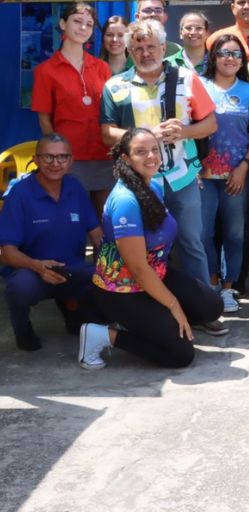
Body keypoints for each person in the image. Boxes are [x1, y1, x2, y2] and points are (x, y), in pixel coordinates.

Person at [99, 19, 221, 324]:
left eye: (151, 46)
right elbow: (106, 133)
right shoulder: (115, 86)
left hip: (181, 176)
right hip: (139, 182)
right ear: (129, 51)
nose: (145, 53)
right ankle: (151, 310)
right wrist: (145, 135)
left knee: (191, 243)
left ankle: (203, 310)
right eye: (138, 47)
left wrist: (184, 132)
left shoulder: (188, 79)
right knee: (144, 248)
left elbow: (210, 124)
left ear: (164, 47)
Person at [77, 128, 224, 370]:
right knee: (180, 355)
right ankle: (104, 335)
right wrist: (173, 305)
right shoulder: (125, 201)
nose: (151, 156)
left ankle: (153, 323)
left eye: (155, 149)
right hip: (122, 288)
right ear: (126, 158)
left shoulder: (152, 185)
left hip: (155, 275)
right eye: (141, 152)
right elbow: (137, 268)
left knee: (212, 306)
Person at [0, 134, 101, 351]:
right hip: (33, 271)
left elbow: (96, 233)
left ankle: (71, 307)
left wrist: (105, 268)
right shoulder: (19, 194)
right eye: (48, 157)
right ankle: (22, 329)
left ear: (71, 161)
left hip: (71, 269)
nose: (56, 163)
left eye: (62, 157)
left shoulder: (75, 187)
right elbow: (7, 252)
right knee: (19, 289)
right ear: (36, 160)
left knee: (104, 283)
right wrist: (38, 266)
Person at [199, 34, 249, 313]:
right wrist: (193, 167)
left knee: (234, 234)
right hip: (202, 176)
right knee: (202, 233)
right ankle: (211, 283)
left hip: (236, 177)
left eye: (236, 54)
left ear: (242, 60)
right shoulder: (199, 86)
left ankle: (229, 289)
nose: (230, 58)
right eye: (224, 53)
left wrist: (244, 165)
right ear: (213, 57)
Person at [32, 2, 113, 215]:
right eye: (77, 21)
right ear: (62, 24)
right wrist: (58, 155)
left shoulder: (102, 68)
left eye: (89, 24)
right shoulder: (45, 71)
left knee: (106, 219)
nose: (83, 28)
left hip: (104, 154)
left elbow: (111, 113)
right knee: (73, 219)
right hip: (70, 158)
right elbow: (44, 120)